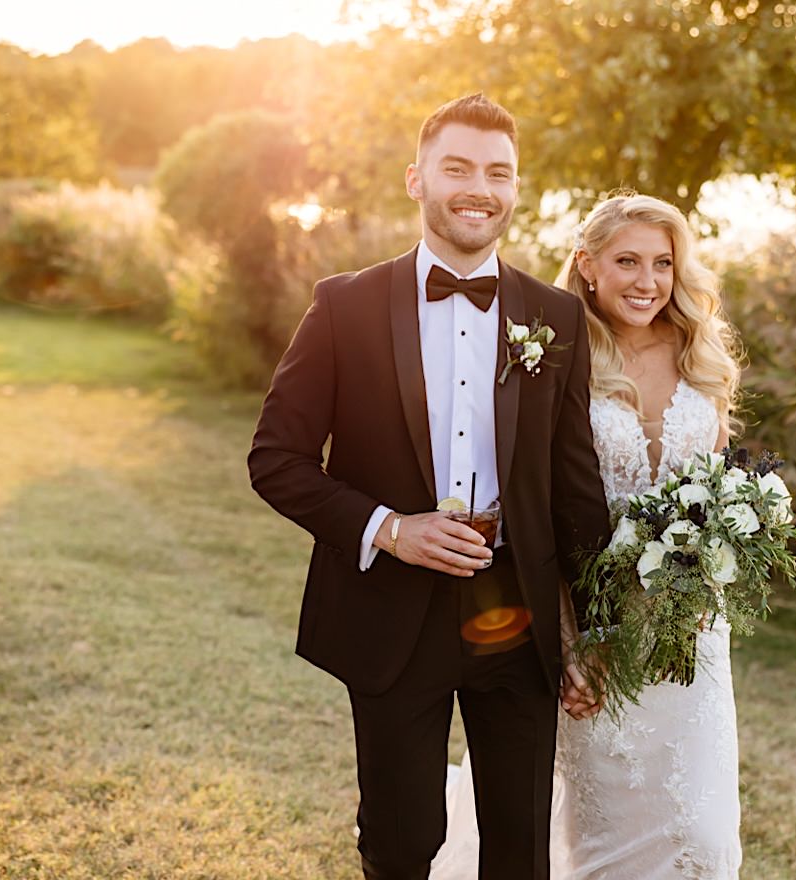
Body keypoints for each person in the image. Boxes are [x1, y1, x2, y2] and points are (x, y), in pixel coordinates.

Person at [249, 93, 612, 880]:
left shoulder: (556, 316)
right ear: (416, 180)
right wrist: (389, 527)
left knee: (521, 852)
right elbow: (275, 459)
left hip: (517, 618)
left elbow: (576, 490)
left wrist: (592, 632)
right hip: (392, 616)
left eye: (498, 172)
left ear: (517, 189)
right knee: (403, 842)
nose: (478, 188)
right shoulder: (343, 306)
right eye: (458, 168)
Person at [432, 192, 747, 878]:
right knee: (590, 834)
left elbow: (719, 484)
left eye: (663, 263)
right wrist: (574, 642)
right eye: (627, 261)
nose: (647, 281)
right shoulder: (553, 354)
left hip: (689, 632)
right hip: (585, 627)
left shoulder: (700, 353)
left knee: (704, 835)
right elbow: (533, 506)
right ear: (587, 265)